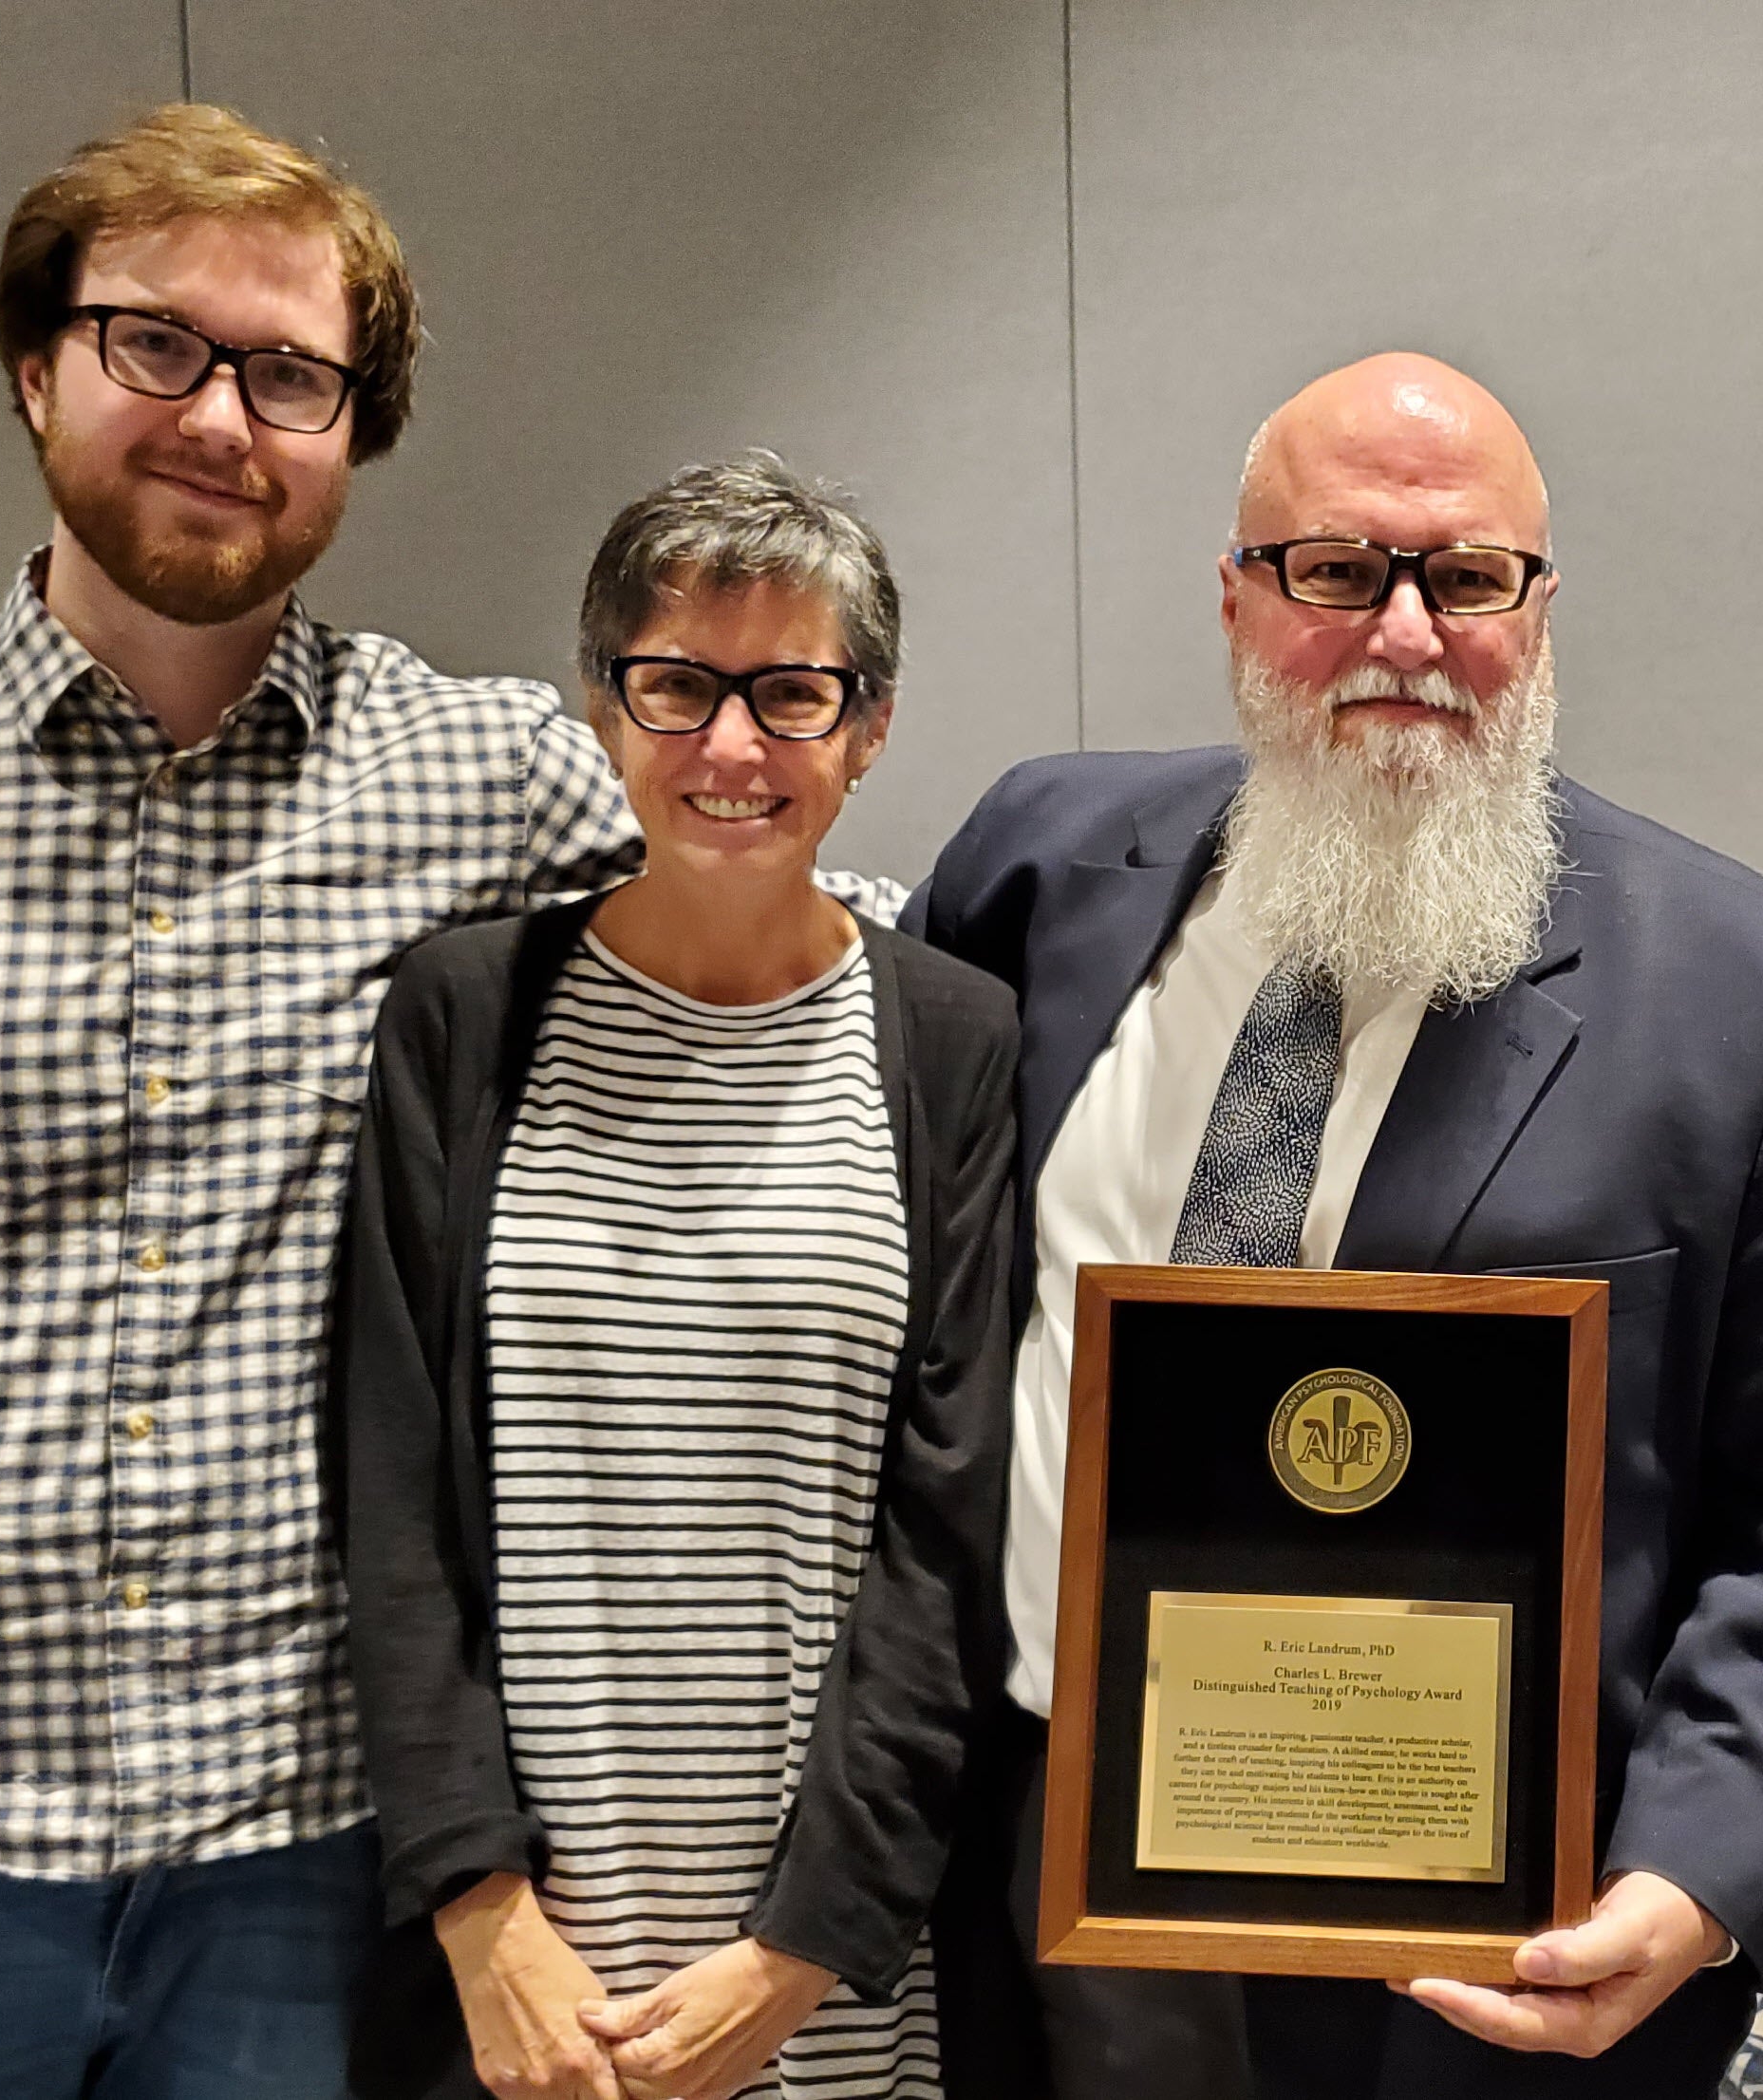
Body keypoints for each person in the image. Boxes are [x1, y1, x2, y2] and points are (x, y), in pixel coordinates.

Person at [0, 107, 895, 2096]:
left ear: (354, 426)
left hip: (300, 1848)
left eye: (293, 376)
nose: (222, 418)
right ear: (32, 360)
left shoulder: (482, 772)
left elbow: (789, 923)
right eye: (157, 342)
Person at [904, 351, 1763, 2099]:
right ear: (1238, 599)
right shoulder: (1035, 870)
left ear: (1537, 613)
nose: (1401, 633)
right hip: (1051, 1874)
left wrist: (1698, 1880)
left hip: (1481, 1963)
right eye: (1332, 573)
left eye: (1466, 578)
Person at [337, 456, 1017, 2100]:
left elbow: (951, 1530)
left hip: (832, 1966)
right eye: (676, 685)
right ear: (601, 706)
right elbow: (394, 1495)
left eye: (790, 693)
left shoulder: (950, 1039)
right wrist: (479, 1906)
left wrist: (804, 1950)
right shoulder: (462, 1016)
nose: (729, 748)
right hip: (519, 1970)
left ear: (867, 727)